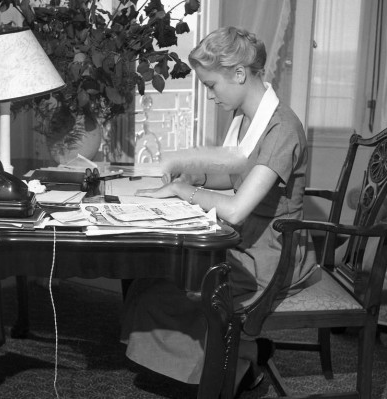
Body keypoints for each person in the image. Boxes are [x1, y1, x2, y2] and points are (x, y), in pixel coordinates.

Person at [120, 26, 317, 394]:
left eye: (211, 85)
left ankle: (236, 365)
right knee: (150, 283)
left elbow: (238, 209)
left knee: (171, 294)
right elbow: (235, 178)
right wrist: (190, 177)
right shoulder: (246, 117)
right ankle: (239, 357)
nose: (209, 96)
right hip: (245, 242)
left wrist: (184, 191)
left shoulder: (282, 129)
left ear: (239, 74)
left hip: (270, 256)